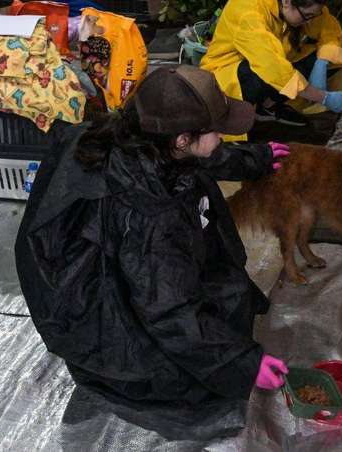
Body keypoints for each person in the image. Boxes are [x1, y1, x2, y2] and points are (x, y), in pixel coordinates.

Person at [15, 65, 290, 405]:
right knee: (189, 377)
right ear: (182, 139)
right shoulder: (152, 218)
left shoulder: (124, 132)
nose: (223, 136)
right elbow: (169, 311)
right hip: (106, 326)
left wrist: (253, 159)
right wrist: (243, 363)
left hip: (94, 274)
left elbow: (193, 156)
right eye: (218, 129)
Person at [201, 0, 342, 128]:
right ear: (286, 2)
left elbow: (328, 25)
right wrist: (323, 97)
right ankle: (249, 110)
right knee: (261, 75)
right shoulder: (249, 11)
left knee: (323, 54)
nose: (309, 22)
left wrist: (321, 62)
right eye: (307, 16)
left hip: (268, 61)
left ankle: (268, 107)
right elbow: (272, 67)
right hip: (225, 74)